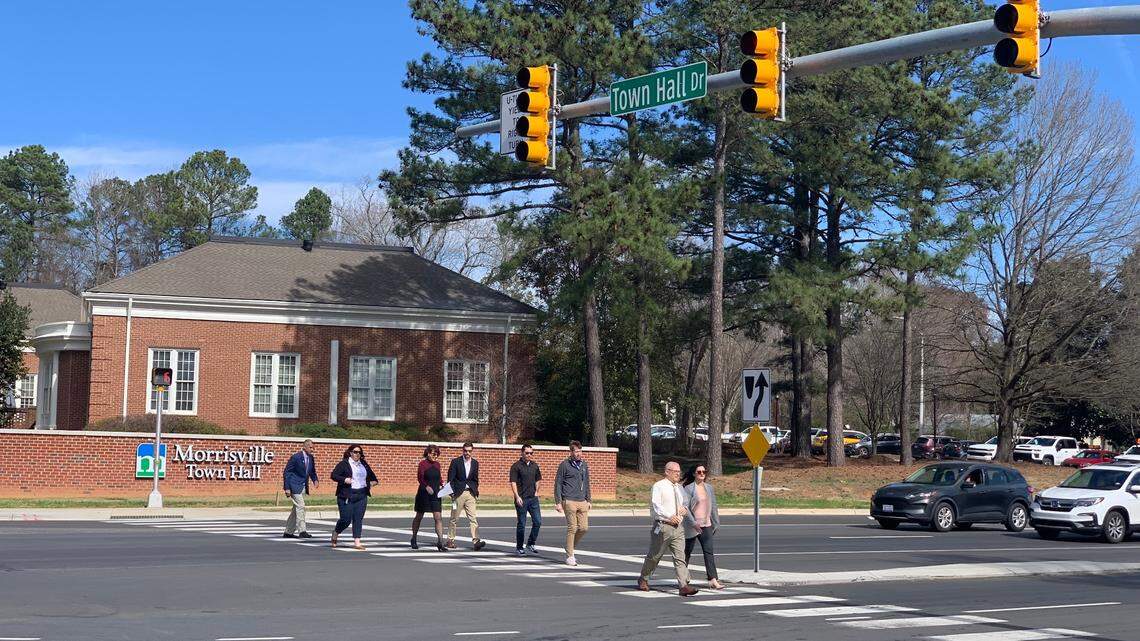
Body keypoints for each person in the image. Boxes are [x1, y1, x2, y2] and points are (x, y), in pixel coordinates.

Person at [637, 461, 699, 597]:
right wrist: (669, 516)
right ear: (667, 472)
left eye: (679, 471)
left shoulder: (679, 488)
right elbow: (656, 505)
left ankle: (683, 585)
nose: (678, 473)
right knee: (655, 556)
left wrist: (683, 509)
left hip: (678, 528)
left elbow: (685, 502)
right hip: (663, 526)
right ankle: (644, 578)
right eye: (675, 471)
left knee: (680, 557)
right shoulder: (659, 486)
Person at [681, 464, 724, 589]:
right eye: (699, 472)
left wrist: (716, 522)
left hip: (706, 525)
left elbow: (713, 506)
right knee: (687, 553)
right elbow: (686, 508)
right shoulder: (688, 488)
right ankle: (683, 578)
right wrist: (693, 523)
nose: (702, 473)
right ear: (694, 474)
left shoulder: (709, 488)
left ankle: (712, 579)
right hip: (692, 526)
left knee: (708, 552)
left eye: (704, 471)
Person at [329, 444, 378, 550]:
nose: (357, 454)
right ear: (350, 452)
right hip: (347, 494)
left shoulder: (363, 464)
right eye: (355, 452)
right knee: (345, 519)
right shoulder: (344, 464)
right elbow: (334, 475)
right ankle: (336, 532)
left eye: (359, 452)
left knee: (358, 519)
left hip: (361, 495)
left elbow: (374, 478)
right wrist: (344, 480)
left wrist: (371, 484)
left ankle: (357, 542)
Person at [553, 440, 591, 566]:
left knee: (584, 528)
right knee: (572, 527)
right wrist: (558, 502)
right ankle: (570, 555)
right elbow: (558, 483)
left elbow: (586, 483)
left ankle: (569, 546)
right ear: (571, 452)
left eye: (580, 451)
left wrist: (588, 499)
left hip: (582, 500)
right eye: (576, 451)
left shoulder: (584, 465)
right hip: (568, 500)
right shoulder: (564, 465)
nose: (579, 454)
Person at [446, 442, 487, 551]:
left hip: (470, 493)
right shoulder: (455, 462)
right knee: (454, 518)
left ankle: (476, 540)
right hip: (458, 494)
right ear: (462, 450)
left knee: (473, 518)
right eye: (465, 451)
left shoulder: (475, 463)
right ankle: (450, 539)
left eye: (469, 451)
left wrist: (475, 489)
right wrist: (452, 492)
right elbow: (450, 478)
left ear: (472, 451)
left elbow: (475, 478)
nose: (467, 453)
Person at [412, 444, 447, 552]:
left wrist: (443, 484)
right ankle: (414, 538)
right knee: (419, 516)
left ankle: (440, 541)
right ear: (428, 453)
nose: (435, 456)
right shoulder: (423, 464)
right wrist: (426, 486)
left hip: (436, 493)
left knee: (438, 517)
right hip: (424, 493)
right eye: (433, 454)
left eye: (437, 454)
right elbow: (420, 478)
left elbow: (439, 478)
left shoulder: (437, 464)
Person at [509, 443, 542, 556]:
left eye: (531, 453)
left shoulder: (534, 465)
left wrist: (537, 491)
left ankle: (530, 543)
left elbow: (538, 479)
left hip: (533, 499)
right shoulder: (516, 466)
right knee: (522, 524)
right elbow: (513, 482)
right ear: (522, 453)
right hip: (521, 499)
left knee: (538, 521)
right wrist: (517, 496)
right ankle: (519, 547)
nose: (529, 455)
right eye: (527, 453)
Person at [282, 439, 319, 538]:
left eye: (313, 447)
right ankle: (302, 531)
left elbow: (312, 471)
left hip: (302, 486)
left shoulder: (311, 458)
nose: (312, 449)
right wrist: (287, 488)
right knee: (301, 506)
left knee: (296, 509)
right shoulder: (296, 457)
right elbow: (287, 472)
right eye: (310, 447)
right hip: (293, 485)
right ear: (304, 447)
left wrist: (315, 480)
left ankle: (288, 532)